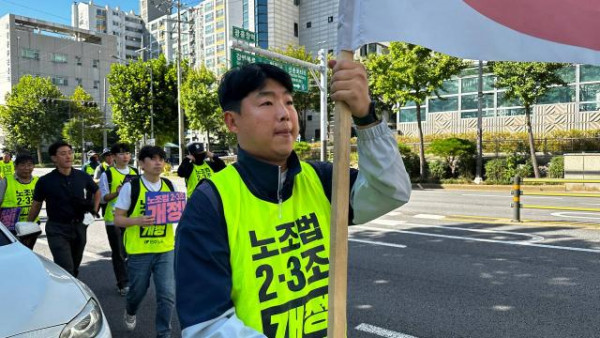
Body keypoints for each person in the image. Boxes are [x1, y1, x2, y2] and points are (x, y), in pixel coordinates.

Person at [174, 62, 411, 337]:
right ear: (232, 121)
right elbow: (207, 326)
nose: (285, 114)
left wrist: (365, 116)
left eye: (289, 101)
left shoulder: (322, 179)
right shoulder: (210, 205)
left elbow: (391, 191)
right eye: (266, 103)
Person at [114, 145, 176, 337]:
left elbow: (175, 215)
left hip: (165, 248)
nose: (158, 162)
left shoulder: (169, 186)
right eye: (152, 158)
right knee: (137, 292)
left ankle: (164, 333)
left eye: (161, 159)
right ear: (141, 163)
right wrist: (136, 221)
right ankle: (131, 311)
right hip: (139, 251)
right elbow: (118, 219)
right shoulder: (131, 187)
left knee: (167, 295)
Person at [28, 140, 101, 277]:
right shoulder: (45, 181)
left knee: (75, 265)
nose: (68, 156)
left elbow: (97, 191)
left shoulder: (82, 176)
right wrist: (28, 225)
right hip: (57, 228)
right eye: (63, 154)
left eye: (70, 153)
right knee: (65, 267)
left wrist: (94, 212)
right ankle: (68, 294)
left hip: (79, 226)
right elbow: (37, 204)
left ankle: (72, 287)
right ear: (54, 158)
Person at [99, 143, 138, 296]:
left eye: (127, 153)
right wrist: (117, 193)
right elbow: (103, 198)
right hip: (113, 218)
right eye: (121, 154)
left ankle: (133, 280)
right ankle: (123, 283)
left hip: (132, 218)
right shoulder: (107, 174)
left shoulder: (135, 172)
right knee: (119, 252)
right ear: (114, 157)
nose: (125, 156)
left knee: (132, 250)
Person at [0, 153, 40, 248]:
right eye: (22, 165)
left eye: (29, 165)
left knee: (28, 251)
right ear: (16, 167)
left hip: (31, 225)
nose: (26, 168)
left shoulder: (38, 182)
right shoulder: (5, 181)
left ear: (33, 167)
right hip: (10, 227)